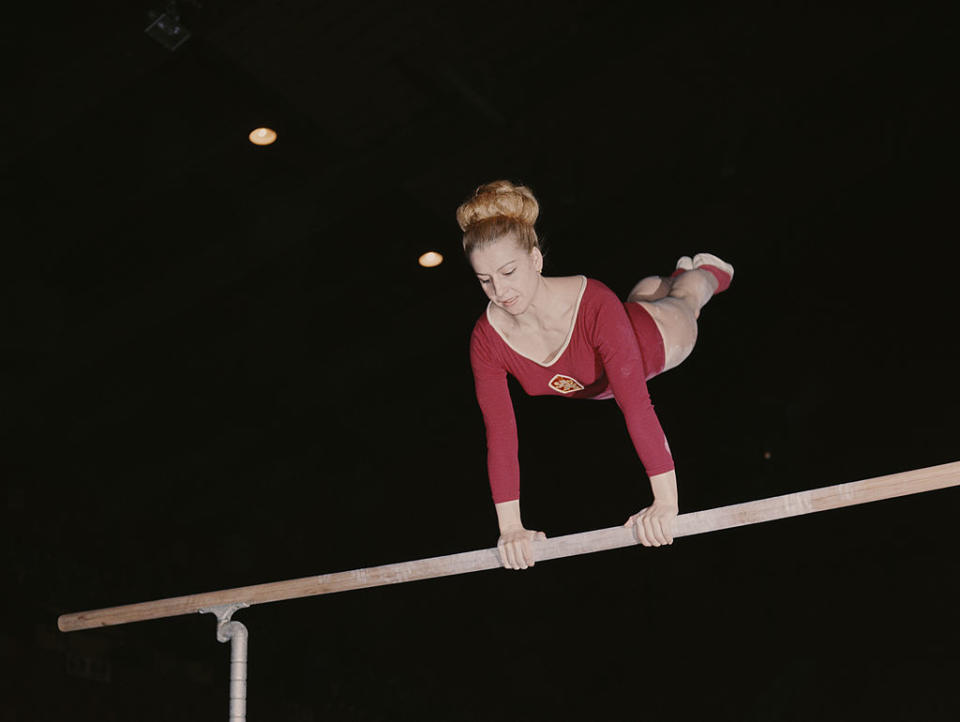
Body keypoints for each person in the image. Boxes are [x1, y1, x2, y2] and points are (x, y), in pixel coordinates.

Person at [459, 180, 734, 570]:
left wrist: (666, 502)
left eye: (508, 272)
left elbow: (636, 405)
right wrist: (511, 528)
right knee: (645, 294)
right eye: (485, 280)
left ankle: (704, 273)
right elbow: (501, 436)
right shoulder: (487, 339)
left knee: (686, 302)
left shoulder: (593, 301)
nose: (500, 291)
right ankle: (657, 286)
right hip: (612, 343)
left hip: (650, 342)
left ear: (536, 260)